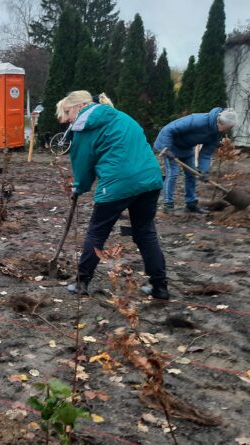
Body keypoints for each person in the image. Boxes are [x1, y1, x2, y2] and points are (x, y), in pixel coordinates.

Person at [56, 91, 168, 299]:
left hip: (118, 183)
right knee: (145, 233)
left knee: (97, 233)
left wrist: (78, 187)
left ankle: (81, 282)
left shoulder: (83, 127)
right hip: (150, 179)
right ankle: (160, 287)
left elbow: (82, 164)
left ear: (79, 107)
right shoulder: (121, 116)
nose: (68, 119)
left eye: (68, 112)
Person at [153, 107, 237, 214]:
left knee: (191, 174)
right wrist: (167, 148)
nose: (227, 131)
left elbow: (206, 154)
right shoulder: (198, 120)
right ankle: (168, 205)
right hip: (170, 146)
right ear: (219, 122)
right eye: (227, 128)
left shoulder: (216, 134)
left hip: (186, 148)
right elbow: (168, 129)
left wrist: (204, 171)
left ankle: (191, 204)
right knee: (173, 173)